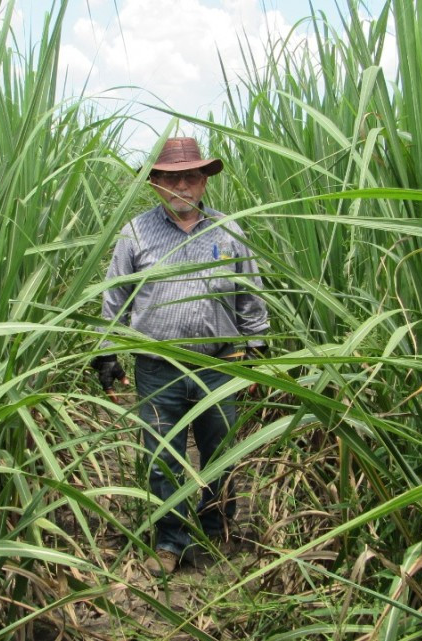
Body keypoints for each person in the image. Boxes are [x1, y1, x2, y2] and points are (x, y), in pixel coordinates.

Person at [91, 137, 269, 576]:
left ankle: (217, 531)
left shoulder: (229, 230)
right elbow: (115, 299)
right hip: (157, 368)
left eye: (191, 176)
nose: (181, 186)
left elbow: (250, 295)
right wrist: (107, 353)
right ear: (154, 182)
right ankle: (170, 540)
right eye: (171, 177)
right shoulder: (136, 233)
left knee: (220, 452)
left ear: (205, 181)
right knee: (162, 457)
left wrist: (257, 349)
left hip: (218, 364)